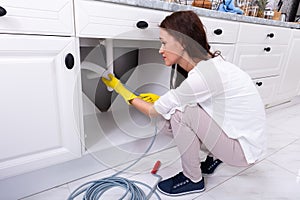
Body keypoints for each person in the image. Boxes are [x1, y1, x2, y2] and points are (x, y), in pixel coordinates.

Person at [102, 10, 266, 197]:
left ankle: (192, 179)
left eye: (164, 43)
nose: (160, 50)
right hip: (245, 141)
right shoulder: (212, 65)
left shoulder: (202, 76)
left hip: (242, 151)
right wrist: (164, 100)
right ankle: (214, 158)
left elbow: (154, 111)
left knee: (179, 115)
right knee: (180, 112)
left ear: (182, 43)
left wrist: (121, 89)